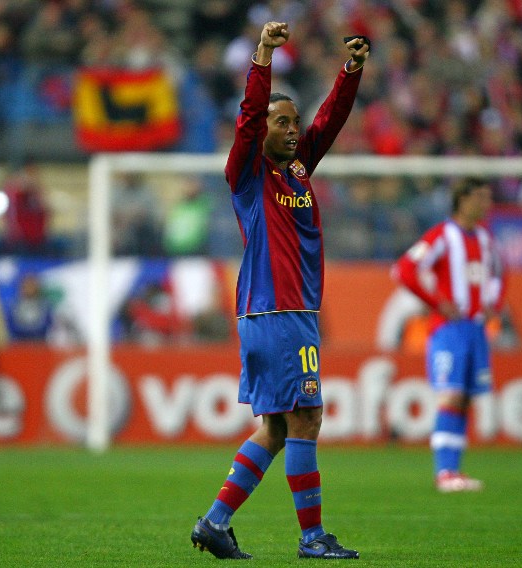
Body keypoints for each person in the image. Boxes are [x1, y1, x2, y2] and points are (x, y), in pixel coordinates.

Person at [189, 21, 368, 560]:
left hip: (280, 311)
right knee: (306, 417)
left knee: (274, 425)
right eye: (282, 122)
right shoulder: (247, 172)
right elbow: (249, 118)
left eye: (294, 122)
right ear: (261, 129)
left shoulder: (295, 170)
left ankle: (215, 522)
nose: (294, 130)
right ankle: (312, 537)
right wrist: (263, 56)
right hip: (278, 309)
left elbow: (329, 122)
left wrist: (351, 72)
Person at [392, 178, 503, 493]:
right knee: (451, 395)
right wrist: (436, 303)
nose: (486, 204)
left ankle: (453, 470)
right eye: (481, 197)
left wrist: (494, 303)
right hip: (448, 330)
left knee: (465, 399)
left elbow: (499, 273)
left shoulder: (485, 238)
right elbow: (404, 270)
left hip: (476, 328)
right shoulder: (443, 235)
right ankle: (444, 473)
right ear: (463, 200)